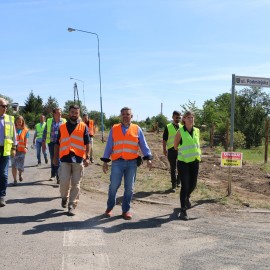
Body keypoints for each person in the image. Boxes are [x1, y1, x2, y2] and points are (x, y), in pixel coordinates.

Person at [101, 107, 153, 220]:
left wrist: (148, 158)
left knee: (129, 188)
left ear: (131, 116)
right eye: (123, 114)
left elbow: (143, 145)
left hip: (132, 164)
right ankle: (109, 207)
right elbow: (109, 145)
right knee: (113, 186)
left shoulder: (137, 129)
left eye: (127, 114)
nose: (125, 116)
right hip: (117, 163)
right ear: (121, 116)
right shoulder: (114, 129)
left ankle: (126, 210)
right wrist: (105, 161)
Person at [53, 105, 90, 216]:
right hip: (64, 158)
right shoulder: (62, 127)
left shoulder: (83, 127)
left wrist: (87, 157)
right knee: (63, 181)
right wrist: (55, 157)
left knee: (76, 184)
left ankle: (71, 205)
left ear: (79, 114)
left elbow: (87, 143)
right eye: (72, 112)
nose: (74, 114)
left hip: (78, 159)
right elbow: (57, 144)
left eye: (76, 112)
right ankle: (64, 197)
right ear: (69, 113)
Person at [174, 111, 201, 220]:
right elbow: (175, 146)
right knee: (185, 186)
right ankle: (183, 210)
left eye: (192, 117)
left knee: (193, 184)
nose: (191, 119)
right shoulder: (180, 131)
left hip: (195, 161)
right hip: (183, 162)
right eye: (188, 117)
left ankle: (186, 197)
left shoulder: (197, 130)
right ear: (184, 119)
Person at [42, 108, 66, 184]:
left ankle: (58, 177)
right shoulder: (49, 121)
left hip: (61, 144)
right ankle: (53, 175)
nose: (60, 114)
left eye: (60, 113)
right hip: (51, 143)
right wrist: (43, 143)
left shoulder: (64, 121)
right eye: (58, 113)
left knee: (58, 159)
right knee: (53, 159)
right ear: (54, 114)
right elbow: (45, 132)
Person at [0, 98, 16, 207]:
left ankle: (1, 196)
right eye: (3, 106)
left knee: (4, 175)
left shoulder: (10, 119)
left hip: (5, 150)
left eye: (6, 106)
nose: (6, 108)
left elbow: (14, 135)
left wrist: (14, 147)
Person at [162, 110, 182, 192]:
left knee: (181, 167)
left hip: (181, 150)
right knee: (173, 168)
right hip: (171, 149)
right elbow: (164, 139)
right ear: (173, 117)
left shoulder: (182, 126)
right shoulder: (168, 126)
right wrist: (164, 149)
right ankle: (173, 185)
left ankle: (178, 182)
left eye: (179, 117)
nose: (178, 118)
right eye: (176, 117)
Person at [11, 115, 29, 186]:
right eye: (17, 121)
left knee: (20, 167)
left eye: (20, 122)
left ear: (22, 122)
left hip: (22, 151)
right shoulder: (12, 129)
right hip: (13, 150)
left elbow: (26, 142)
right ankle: (15, 180)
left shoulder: (25, 130)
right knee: (13, 165)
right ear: (15, 122)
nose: (19, 123)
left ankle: (20, 174)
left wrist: (26, 148)